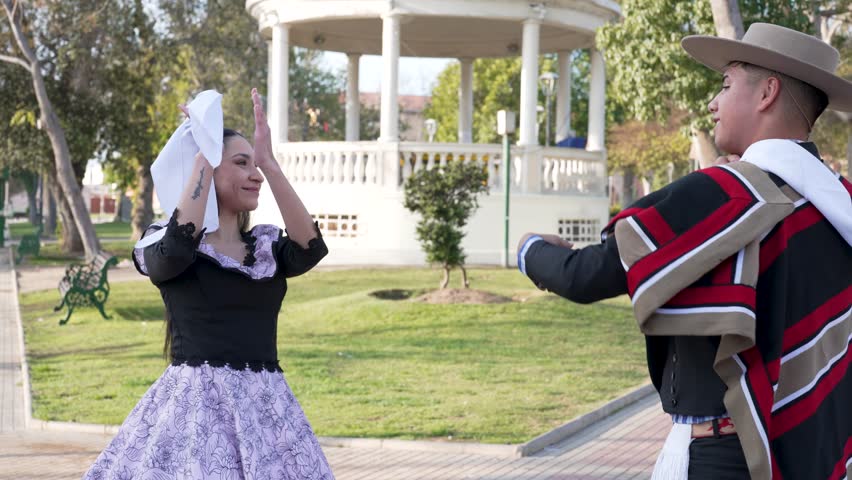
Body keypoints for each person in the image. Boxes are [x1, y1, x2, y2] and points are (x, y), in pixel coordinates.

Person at [517, 23, 851, 480]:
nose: (713, 103)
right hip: (808, 454)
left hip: (720, 456)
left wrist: (529, 249)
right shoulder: (840, 205)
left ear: (767, 92)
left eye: (727, 84)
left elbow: (585, 275)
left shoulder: (728, 195)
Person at [83, 89, 335, 479]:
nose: (254, 175)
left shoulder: (266, 247)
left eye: (255, 165)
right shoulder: (165, 245)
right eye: (240, 163)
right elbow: (176, 250)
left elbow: (311, 247)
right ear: (209, 168)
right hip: (195, 412)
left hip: (268, 412)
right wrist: (202, 155)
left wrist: (269, 163)